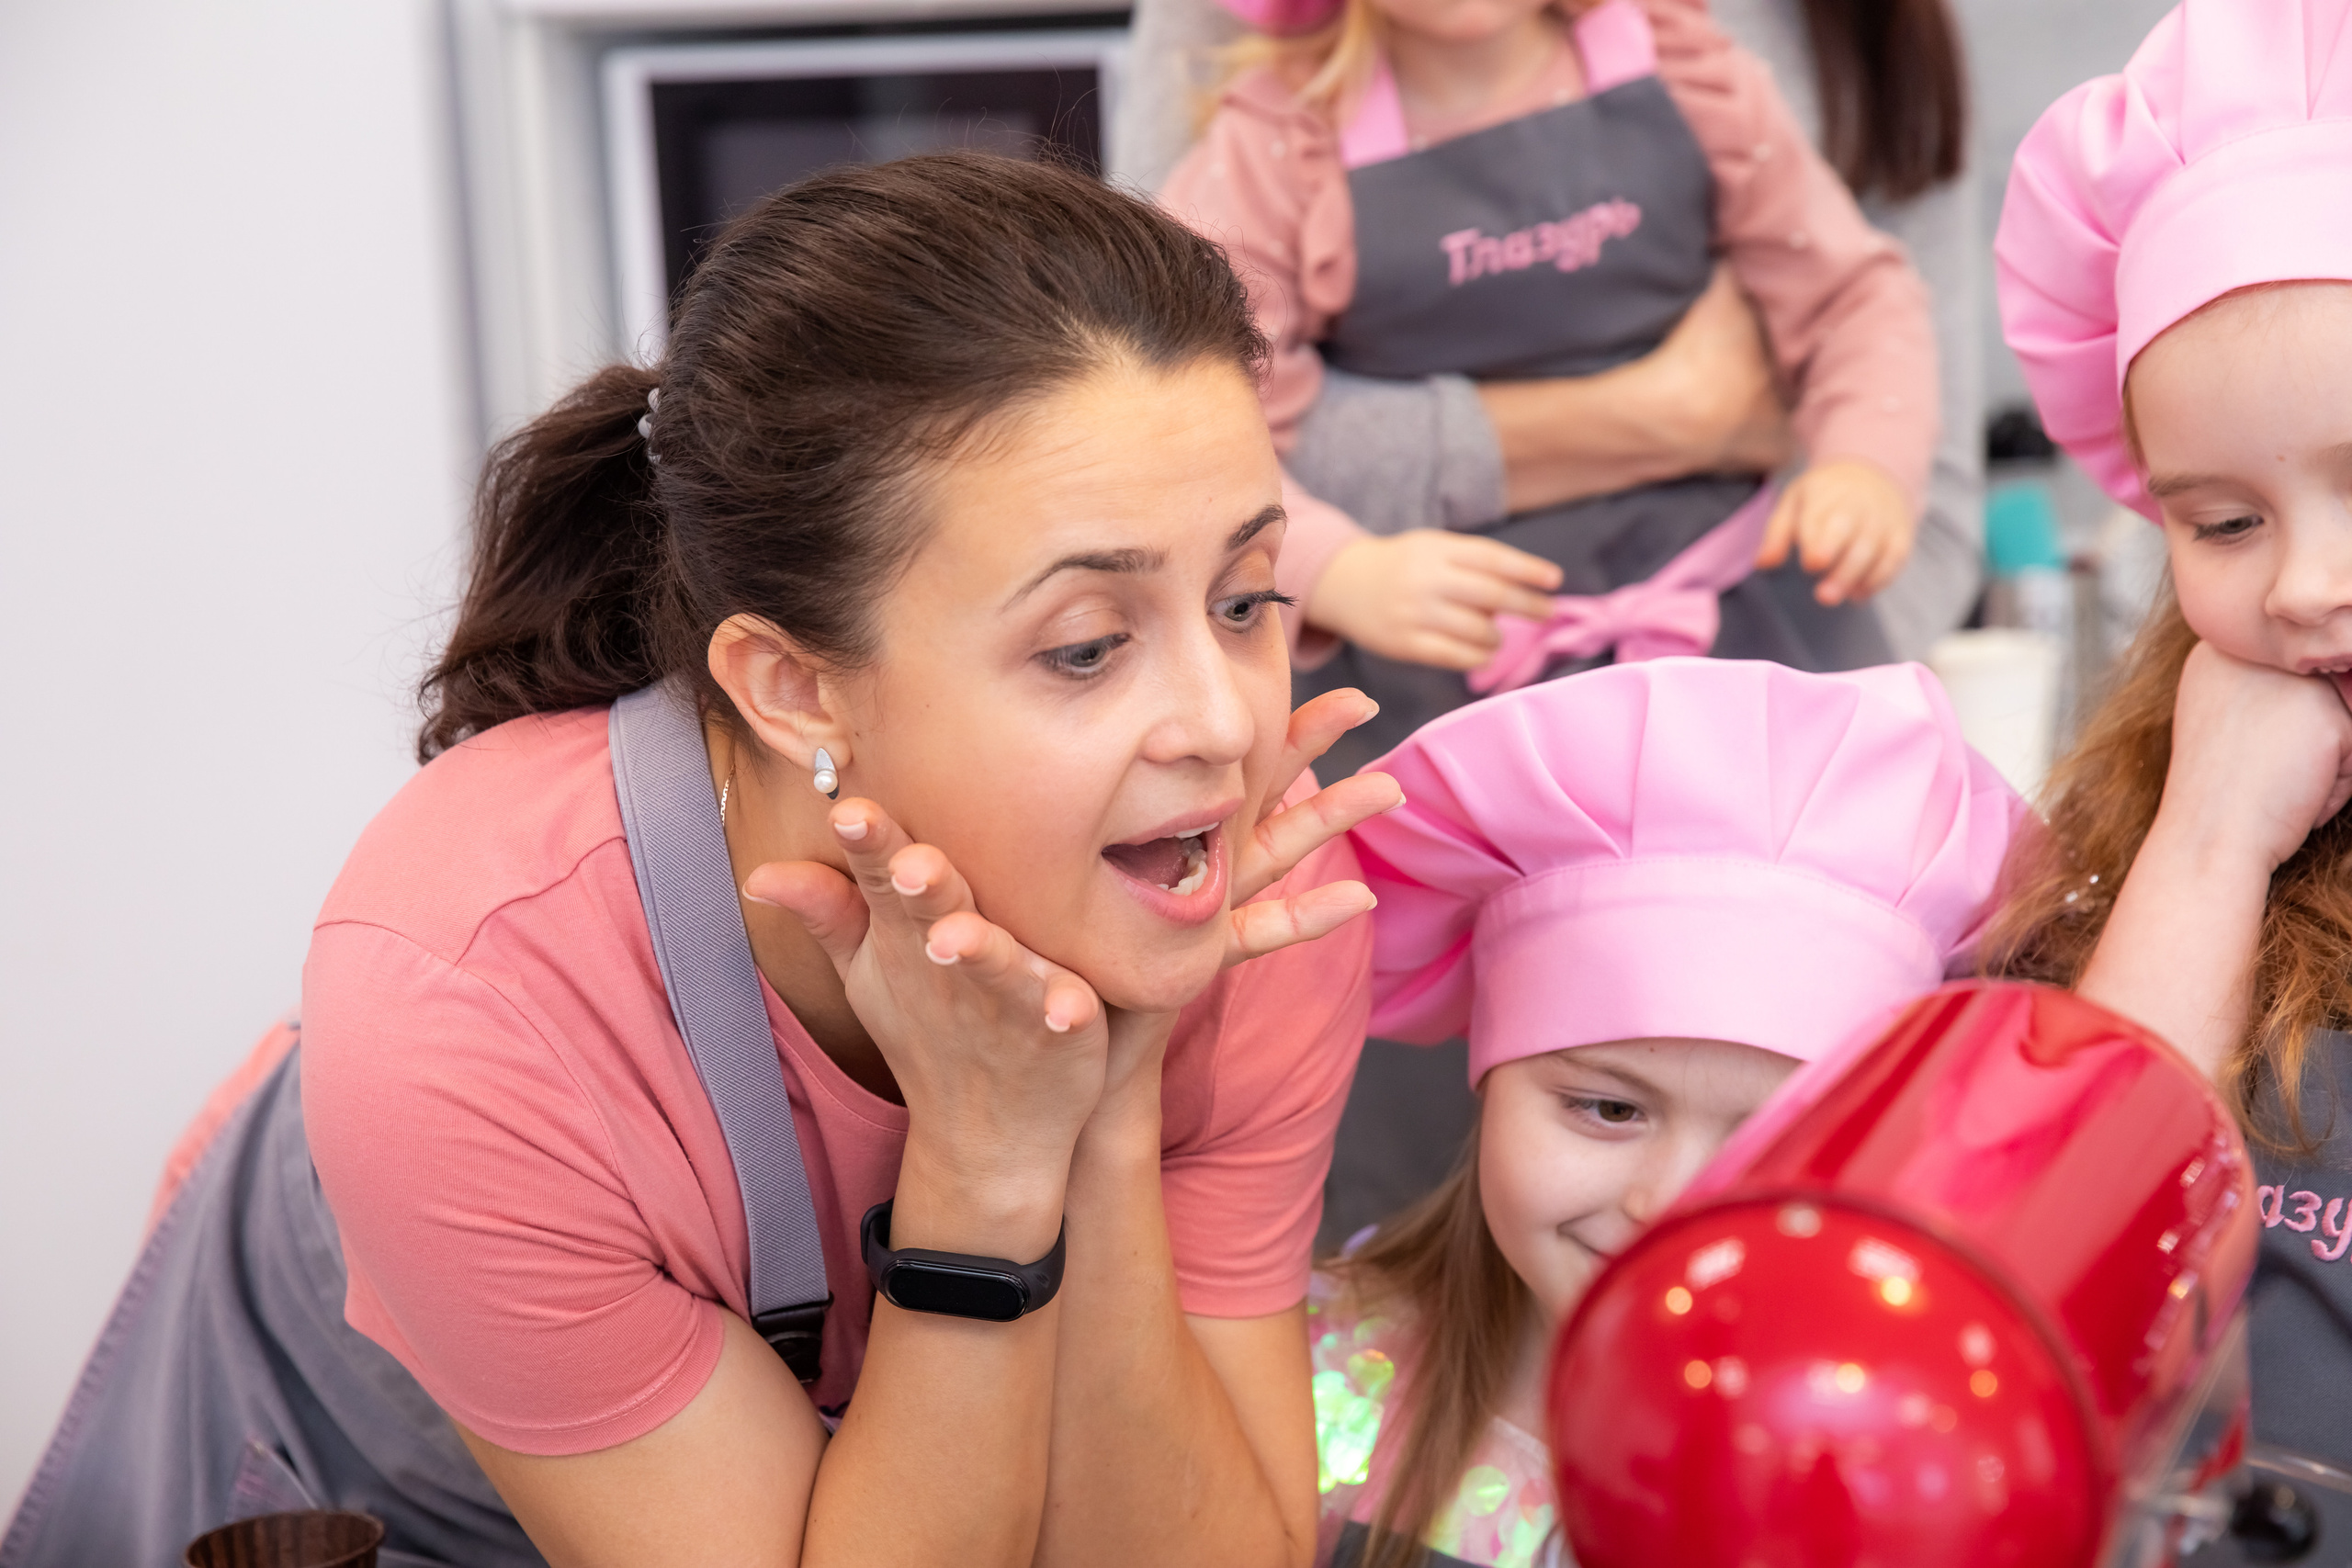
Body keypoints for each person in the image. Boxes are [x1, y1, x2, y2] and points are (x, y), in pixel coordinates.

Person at [0, 152, 1404, 1568]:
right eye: (1087, 646)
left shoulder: (1245, 897)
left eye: (1244, 599)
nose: (1229, 723)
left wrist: (1105, 1106)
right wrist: (985, 1162)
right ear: (796, 689)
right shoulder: (468, 998)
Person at [1312, 658, 2019, 1568]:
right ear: (1491, 1080)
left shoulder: (1920, 1486)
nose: (1669, 1207)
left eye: (1775, 1140)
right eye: (1608, 1108)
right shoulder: (1305, 1379)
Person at [1159, 0, 1939, 772]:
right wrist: (1334, 570)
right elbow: (1185, 407)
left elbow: (1854, 297)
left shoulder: (1692, 73)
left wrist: (1866, 465)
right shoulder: (1276, 149)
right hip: (1441, 707)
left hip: (1749, 654)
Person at [1987, 0, 2352, 1466]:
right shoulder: (2151, 841)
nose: (2309, 582)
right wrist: (2207, 837)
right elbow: (2055, 1264)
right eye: (2223, 520)